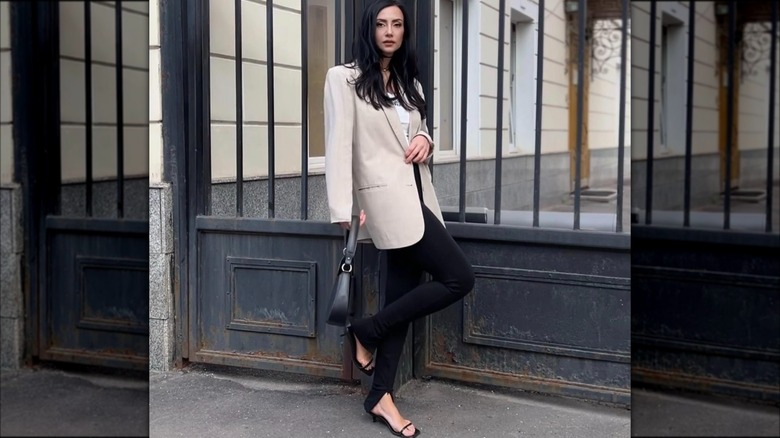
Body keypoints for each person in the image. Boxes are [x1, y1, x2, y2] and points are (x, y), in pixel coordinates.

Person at [324, 0, 475, 436]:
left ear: (405, 31)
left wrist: (426, 136)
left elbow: (417, 131)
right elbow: (338, 146)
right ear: (369, 29)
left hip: (419, 199)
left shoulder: (412, 86)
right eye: (381, 24)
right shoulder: (345, 79)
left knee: (400, 297)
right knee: (459, 278)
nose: (389, 31)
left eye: (397, 24)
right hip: (384, 203)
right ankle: (367, 329)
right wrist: (342, 210)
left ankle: (379, 395)